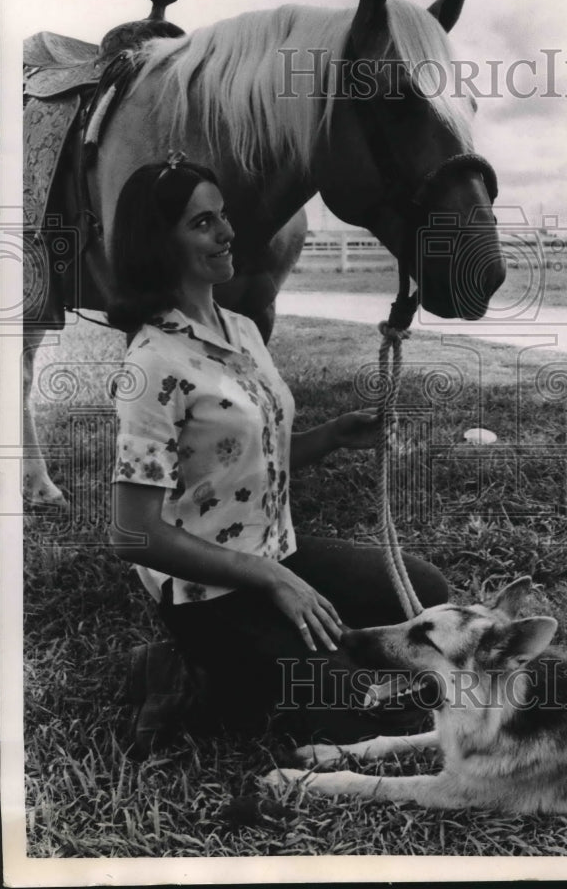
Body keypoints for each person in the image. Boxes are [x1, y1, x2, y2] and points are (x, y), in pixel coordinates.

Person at [108, 154, 448, 755]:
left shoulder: (239, 329)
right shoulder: (149, 366)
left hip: (277, 556)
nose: (226, 232)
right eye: (202, 223)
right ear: (159, 243)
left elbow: (244, 458)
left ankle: (259, 665)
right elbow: (134, 536)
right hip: (208, 594)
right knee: (363, 718)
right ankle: (184, 671)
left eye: (224, 216)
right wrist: (271, 579)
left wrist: (334, 435)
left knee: (426, 595)